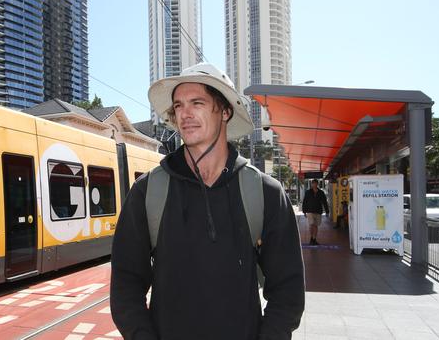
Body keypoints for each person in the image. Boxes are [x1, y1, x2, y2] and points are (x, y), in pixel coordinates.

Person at [110, 63, 305, 339]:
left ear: (225, 111)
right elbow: (126, 286)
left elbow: (288, 291)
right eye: (178, 106)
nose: (185, 114)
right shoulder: (147, 191)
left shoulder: (265, 193)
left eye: (197, 103)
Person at [302, 179, 329, 245]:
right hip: (310, 211)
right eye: (313, 183)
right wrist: (304, 211)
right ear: (312, 184)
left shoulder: (321, 192)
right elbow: (305, 201)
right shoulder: (308, 192)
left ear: (317, 184)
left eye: (315, 183)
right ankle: (311, 238)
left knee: (316, 225)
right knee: (312, 224)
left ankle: (314, 239)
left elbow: (324, 202)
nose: (314, 185)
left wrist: (327, 211)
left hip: (318, 211)